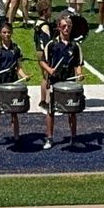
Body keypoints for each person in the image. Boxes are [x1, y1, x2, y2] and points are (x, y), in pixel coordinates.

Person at [39, 15, 83, 150]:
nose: (66, 29)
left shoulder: (75, 46)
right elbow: (42, 61)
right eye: (64, 26)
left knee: (72, 111)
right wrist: (49, 70)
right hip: (54, 82)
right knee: (51, 111)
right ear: (59, 27)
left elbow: (78, 64)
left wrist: (79, 73)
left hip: (69, 82)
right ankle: (49, 138)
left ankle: (73, 137)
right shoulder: (51, 45)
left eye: (68, 27)